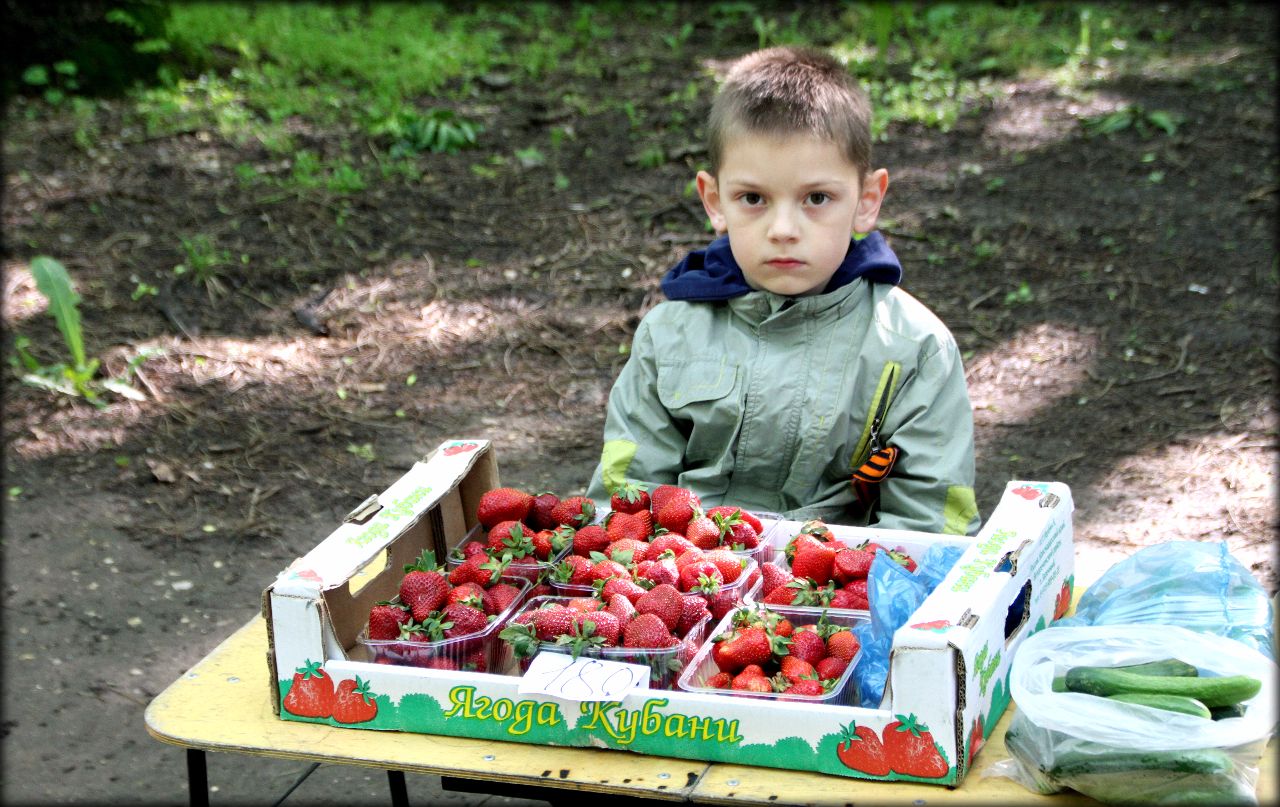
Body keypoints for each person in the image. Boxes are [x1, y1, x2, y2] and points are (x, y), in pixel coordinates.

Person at [585, 46, 980, 536]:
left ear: (867, 200)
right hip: (687, 586)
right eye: (753, 199)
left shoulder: (916, 348)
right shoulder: (668, 336)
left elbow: (928, 527)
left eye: (817, 198)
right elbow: (625, 502)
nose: (784, 229)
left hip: (841, 593)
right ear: (715, 200)